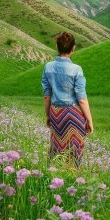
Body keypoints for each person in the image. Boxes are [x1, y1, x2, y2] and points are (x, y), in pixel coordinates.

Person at [41, 32, 94, 168]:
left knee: (56, 147)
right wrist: (89, 120)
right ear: (73, 48)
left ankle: (54, 175)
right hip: (73, 114)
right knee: (74, 150)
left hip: (56, 112)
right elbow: (81, 99)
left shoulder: (48, 67)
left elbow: (47, 95)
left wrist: (48, 115)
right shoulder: (76, 70)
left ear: (57, 48)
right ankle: (71, 179)